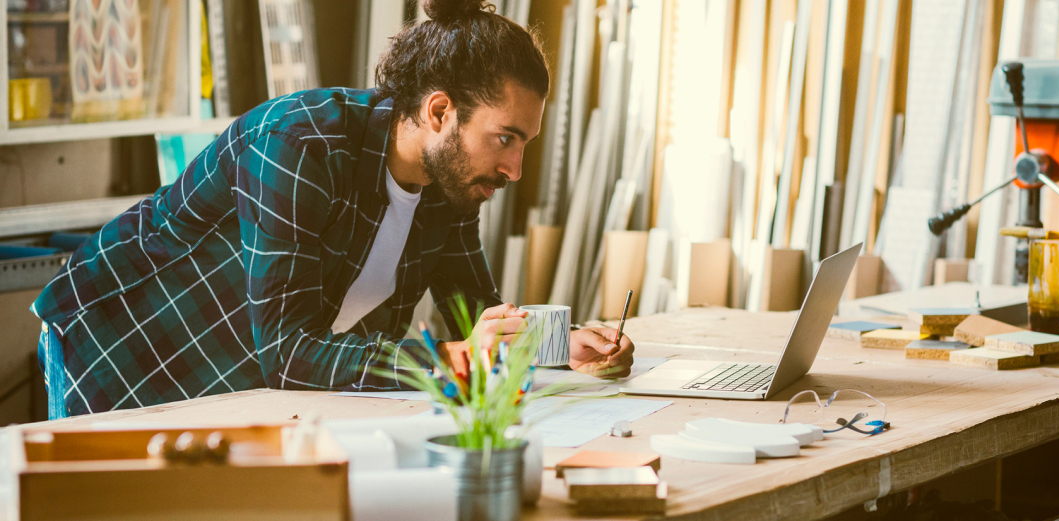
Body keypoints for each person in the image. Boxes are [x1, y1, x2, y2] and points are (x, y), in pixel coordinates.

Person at [30, 0, 634, 419]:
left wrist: (558, 345)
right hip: (120, 344)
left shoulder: (449, 187)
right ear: (440, 113)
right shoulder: (299, 145)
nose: (515, 169)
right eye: (506, 138)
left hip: (241, 376)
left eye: (525, 143)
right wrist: (452, 358)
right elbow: (289, 351)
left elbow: (478, 318)